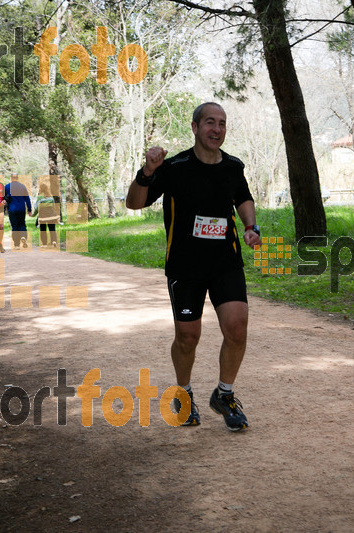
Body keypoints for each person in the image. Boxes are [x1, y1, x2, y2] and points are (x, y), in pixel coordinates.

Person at [125, 102, 261, 432]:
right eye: (210, 123)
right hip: (185, 266)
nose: (217, 129)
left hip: (225, 262)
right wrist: (147, 172)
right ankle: (183, 394)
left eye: (222, 124)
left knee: (237, 328)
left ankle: (224, 394)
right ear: (195, 127)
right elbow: (134, 202)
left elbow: (242, 198)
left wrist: (251, 226)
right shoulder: (174, 168)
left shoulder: (233, 166)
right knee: (188, 338)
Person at [4, 174, 32, 249]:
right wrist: (29, 209)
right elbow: (27, 199)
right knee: (22, 224)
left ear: (11, 178)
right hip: (21, 209)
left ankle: (16, 245)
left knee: (14, 226)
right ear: (17, 178)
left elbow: (4, 198)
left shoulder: (7, 187)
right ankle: (23, 236)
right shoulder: (22, 186)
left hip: (12, 209)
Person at [32, 179, 60, 248]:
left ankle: (44, 244)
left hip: (43, 215)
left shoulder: (40, 197)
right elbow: (53, 206)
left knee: (43, 229)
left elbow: (36, 208)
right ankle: (54, 241)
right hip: (51, 214)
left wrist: (33, 215)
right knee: (52, 228)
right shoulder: (51, 197)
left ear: (40, 189)